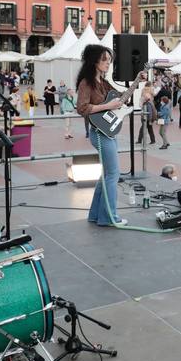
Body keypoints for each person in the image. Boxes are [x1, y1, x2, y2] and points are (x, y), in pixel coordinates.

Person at [75, 45, 126, 228]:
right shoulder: (86, 83)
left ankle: (96, 215)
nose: (107, 63)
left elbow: (120, 98)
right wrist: (107, 107)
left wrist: (138, 81)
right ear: (94, 61)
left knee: (106, 174)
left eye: (109, 60)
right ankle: (109, 217)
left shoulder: (103, 82)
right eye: (104, 59)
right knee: (113, 173)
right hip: (98, 132)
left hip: (107, 131)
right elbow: (82, 108)